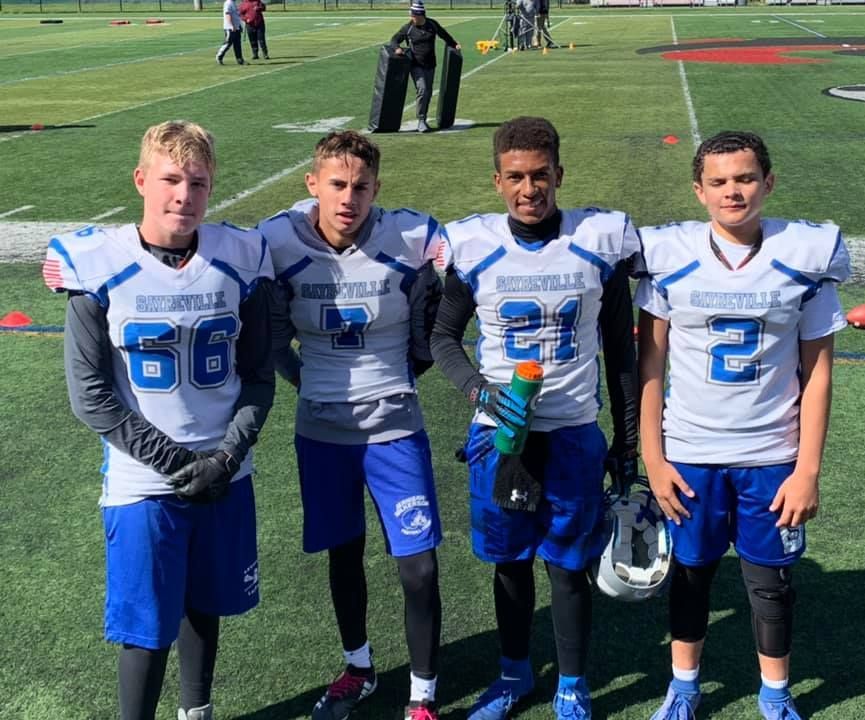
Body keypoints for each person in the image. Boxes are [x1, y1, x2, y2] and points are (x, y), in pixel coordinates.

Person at [41, 120, 275, 720]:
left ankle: (196, 711)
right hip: (144, 482)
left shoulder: (240, 257)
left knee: (205, 605)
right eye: (171, 180)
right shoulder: (98, 263)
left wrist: (224, 458)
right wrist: (179, 463)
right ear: (142, 180)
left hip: (226, 472)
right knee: (146, 630)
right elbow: (91, 395)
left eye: (197, 183)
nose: (184, 196)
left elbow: (257, 378)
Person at [430, 116, 641, 720]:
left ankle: (572, 684)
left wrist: (625, 442)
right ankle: (514, 675)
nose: (530, 189)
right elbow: (444, 337)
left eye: (541, 176)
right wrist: (478, 390)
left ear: (559, 175)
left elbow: (620, 352)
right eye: (517, 177)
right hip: (503, 438)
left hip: (573, 432)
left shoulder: (599, 241)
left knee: (569, 566)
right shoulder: (473, 246)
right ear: (497, 180)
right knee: (510, 563)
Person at [635, 131, 851, 720]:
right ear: (698, 190)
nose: (734, 191)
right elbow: (649, 366)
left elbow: (819, 375)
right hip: (689, 448)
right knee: (691, 574)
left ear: (769, 182)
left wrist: (808, 469)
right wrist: (653, 460)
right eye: (721, 181)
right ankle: (683, 686)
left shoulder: (805, 254)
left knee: (770, 583)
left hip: (771, 450)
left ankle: (775, 695)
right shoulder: (668, 254)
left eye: (746, 178)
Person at [257, 130, 446, 720]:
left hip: (393, 425)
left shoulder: (410, 234)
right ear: (312, 184)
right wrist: (298, 376)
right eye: (336, 184)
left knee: (418, 566)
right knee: (345, 554)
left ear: (376, 189)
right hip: (321, 430)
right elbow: (265, 335)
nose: (348, 198)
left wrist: (412, 367)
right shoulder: (276, 239)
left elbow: (474, 257)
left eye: (361, 186)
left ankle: (422, 695)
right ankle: (358, 667)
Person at [390, 0, 461, 133]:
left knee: (427, 92)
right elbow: (394, 40)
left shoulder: (432, 24)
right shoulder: (408, 28)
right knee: (422, 90)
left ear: (420, 15)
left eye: (413, 15)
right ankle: (421, 120)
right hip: (415, 64)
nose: (411, 18)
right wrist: (397, 48)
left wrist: (454, 43)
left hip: (430, 64)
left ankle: (423, 118)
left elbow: (443, 34)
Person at [217, 0, 245, 65]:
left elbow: (236, 15)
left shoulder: (234, 3)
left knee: (237, 44)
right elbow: (227, 14)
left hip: (236, 27)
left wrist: (239, 25)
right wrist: (231, 26)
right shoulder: (228, 3)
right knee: (228, 43)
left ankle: (239, 59)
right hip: (230, 28)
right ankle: (219, 56)